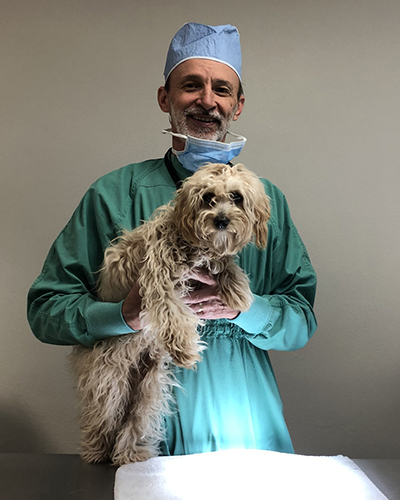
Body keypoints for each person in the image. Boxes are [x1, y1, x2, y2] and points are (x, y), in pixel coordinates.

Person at [27, 23, 317, 457]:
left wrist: (245, 308)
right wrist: (122, 316)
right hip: (141, 425)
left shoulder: (263, 201)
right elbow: (45, 310)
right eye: (191, 85)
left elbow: (300, 321)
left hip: (243, 421)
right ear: (165, 98)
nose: (207, 100)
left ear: (237, 106)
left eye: (222, 89)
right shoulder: (114, 194)